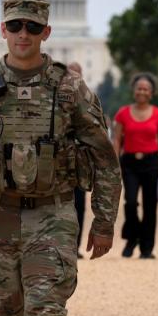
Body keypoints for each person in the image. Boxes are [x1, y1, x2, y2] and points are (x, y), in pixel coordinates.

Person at [0, 0, 122, 316]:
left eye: (32, 27)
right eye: (15, 26)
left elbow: (105, 161)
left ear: (46, 32)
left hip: (53, 215)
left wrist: (104, 221)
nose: (23, 34)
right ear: (3, 30)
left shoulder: (71, 89)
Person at [113, 73, 158, 259]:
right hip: (129, 163)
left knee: (150, 206)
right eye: (139, 88)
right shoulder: (122, 113)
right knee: (129, 202)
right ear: (133, 90)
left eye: (145, 89)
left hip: (151, 163)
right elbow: (116, 141)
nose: (142, 91)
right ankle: (131, 238)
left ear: (151, 93)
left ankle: (147, 248)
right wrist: (114, 164)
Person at [67, 61, 87, 258]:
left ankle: (76, 246)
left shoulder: (88, 100)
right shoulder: (57, 98)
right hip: (59, 164)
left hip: (80, 164)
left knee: (79, 206)